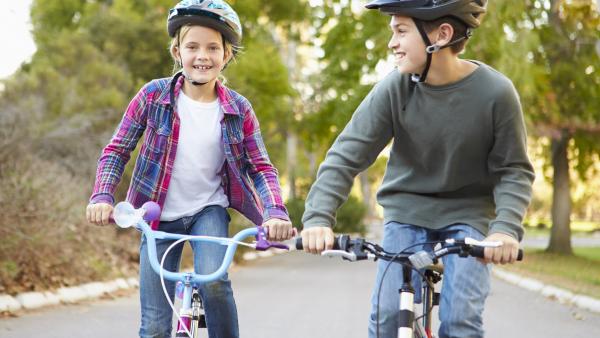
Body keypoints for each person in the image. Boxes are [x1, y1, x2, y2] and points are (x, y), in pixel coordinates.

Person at [300, 1, 534, 337]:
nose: (391, 42)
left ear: (441, 35)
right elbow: (345, 156)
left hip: (469, 216)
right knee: (386, 319)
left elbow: (514, 169)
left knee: (460, 322)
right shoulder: (395, 88)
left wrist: (506, 229)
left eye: (401, 31)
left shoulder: (495, 93)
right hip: (406, 213)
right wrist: (318, 218)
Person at [86, 1, 294, 337]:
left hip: (207, 211)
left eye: (213, 48)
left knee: (212, 280)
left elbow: (261, 167)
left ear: (227, 55)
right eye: (192, 46)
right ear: (177, 51)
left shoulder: (239, 109)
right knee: (154, 325)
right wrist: (102, 196)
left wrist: (275, 213)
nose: (202, 56)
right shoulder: (152, 97)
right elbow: (117, 150)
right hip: (155, 214)